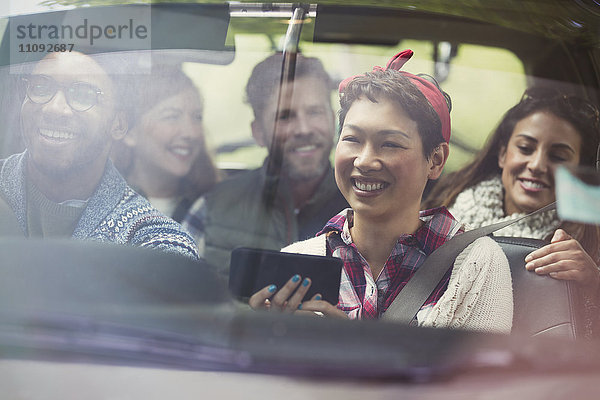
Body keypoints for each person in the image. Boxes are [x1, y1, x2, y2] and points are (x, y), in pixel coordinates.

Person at [249, 50, 513, 333]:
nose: (364, 161)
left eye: (389, 144)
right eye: (351, 139)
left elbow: (481, 376)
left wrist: (346, 344)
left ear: (435, 160)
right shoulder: (298, 260)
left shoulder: (476, 263)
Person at [0, 51, 198, 259]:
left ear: (119, 124)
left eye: (83, 94)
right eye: (40, 87)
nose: (54, 109)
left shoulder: (153, 240)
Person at [423, 87, 600, 312]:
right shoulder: (441, 212)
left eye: (558, 157)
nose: (536, 165)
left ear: (577, 171)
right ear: (503, 154)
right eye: (525, 148)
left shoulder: (591, 242)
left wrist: (593, 284)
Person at [183, 53, 348, 279]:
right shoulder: (210, 208)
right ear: (258, 132)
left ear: (332, 119)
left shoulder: (367, 208)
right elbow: (176, 300)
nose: (304, 129)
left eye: (315, 112)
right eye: (285, 116)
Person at [112, 65, 218, 222]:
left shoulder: (217, 205)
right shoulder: (100, 203)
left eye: (197, 117)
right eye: (171, 117)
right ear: (130, 132)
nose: (191, 133)